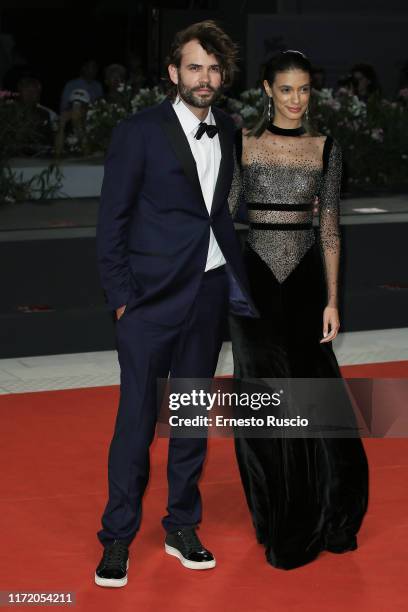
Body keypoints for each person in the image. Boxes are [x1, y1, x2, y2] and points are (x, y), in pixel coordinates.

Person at [95, 20, 256, 587]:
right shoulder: (139, 132)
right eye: (194, 67)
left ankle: (181, 524)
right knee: (136, 422)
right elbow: (111, 221)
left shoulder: (231, 130)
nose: (205, 78)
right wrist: (122, 301)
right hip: (148, 302)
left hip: (208, 295)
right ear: (173, 73)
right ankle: (117, 537)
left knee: (189, 418)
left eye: (214, 68)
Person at [228, 50, 369, 570]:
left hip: (307, 280)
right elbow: (223, 217)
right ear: (267, 89)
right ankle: (276, 514)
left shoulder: (326, 147)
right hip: (254, 283)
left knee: (312, 394)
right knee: (261, 398)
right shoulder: (243, 144)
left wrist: (333, 300)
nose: (295, 100)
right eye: (286, 89)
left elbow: (329, 227)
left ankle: (328, 509)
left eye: (304, 90)